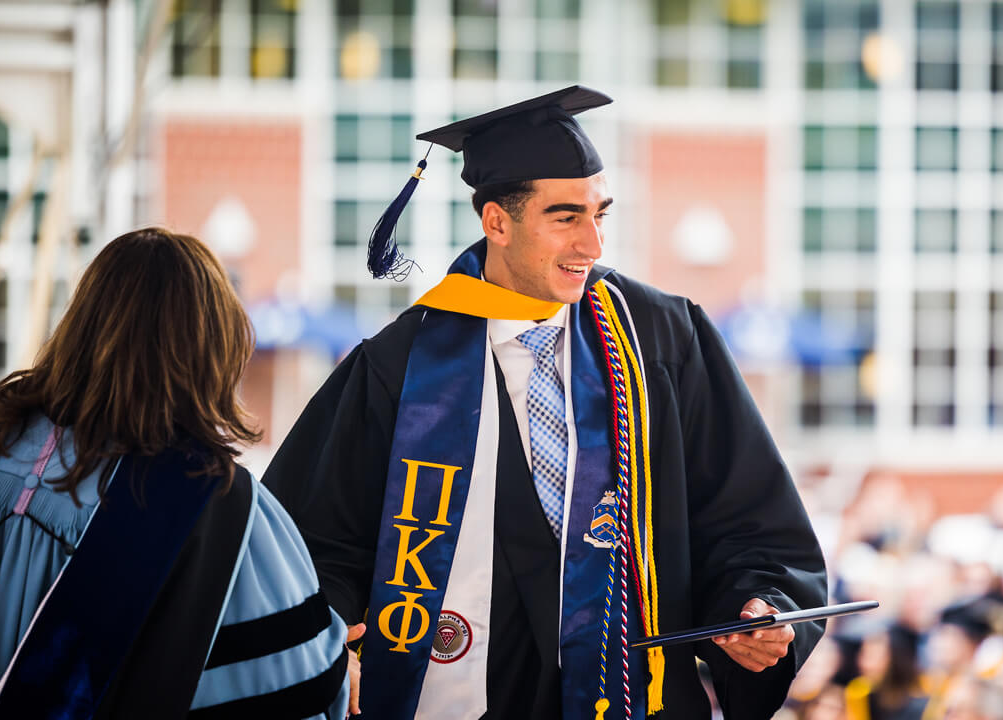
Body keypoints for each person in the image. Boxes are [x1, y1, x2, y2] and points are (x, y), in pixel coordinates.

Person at [264, 85, 828, 720]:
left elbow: (749, 524)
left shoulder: (663, 341)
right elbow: (315, 545)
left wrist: (757, 608)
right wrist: (334, 642)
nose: (593, 244)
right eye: (565, 218)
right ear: (496, 222)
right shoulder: (399, 365)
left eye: (600, 214)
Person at [0, 228, 350, 719]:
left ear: (81, 325)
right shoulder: (219, 509)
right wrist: (341, 663)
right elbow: (293, 689)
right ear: (213, 349)